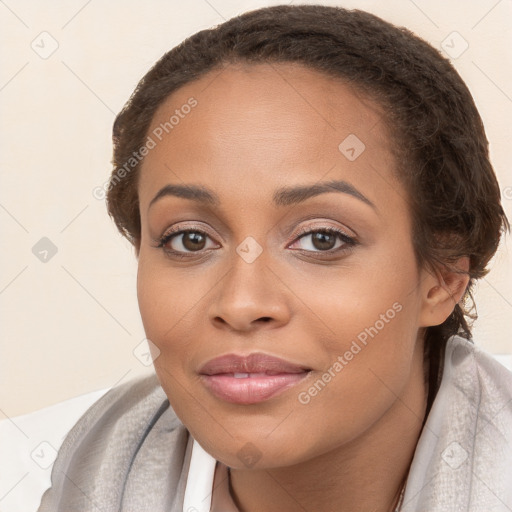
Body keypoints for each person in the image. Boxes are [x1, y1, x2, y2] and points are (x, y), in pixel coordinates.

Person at [37, 4, 512, 511]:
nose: (242, 304)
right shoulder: (70, 468)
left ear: (443, 275)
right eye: (190, 239)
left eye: (322, 240)